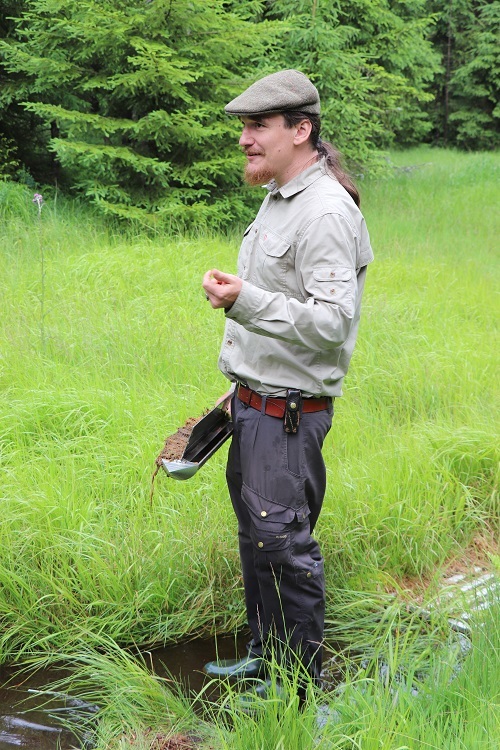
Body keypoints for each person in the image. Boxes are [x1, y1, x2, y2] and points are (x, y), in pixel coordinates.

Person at [202, 69, 374, 696]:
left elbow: (331, 325)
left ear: (301, 130)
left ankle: (296, 687)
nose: (245, 139)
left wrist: (243, 299)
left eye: (258, 127)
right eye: (245, 127)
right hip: (256, 406)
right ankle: (263, 656)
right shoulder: (280, 198)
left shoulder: (325, 211)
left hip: (288, 416)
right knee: (258, 541)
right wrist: (235, 390)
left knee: (283, 545)